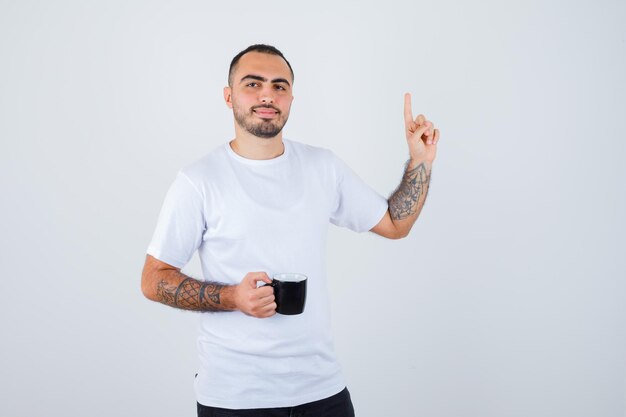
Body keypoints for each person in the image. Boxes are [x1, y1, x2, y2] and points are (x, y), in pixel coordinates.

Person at [141, 44, 440, 416]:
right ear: (228, 95)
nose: (268, 94)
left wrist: (420, 162)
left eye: (279, 86)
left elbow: (396, 224)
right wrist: (233, 297)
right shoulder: (198, 181)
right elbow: (153, 279)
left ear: (291, 99)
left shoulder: (322, 167)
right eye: (253, 83)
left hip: (322, 389)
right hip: (236, 396)